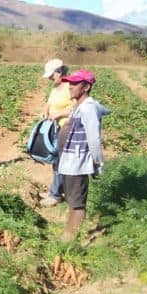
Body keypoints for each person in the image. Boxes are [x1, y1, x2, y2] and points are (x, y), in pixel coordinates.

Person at [57, 69, 110, 241]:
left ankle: (69, 240)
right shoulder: (78, 107)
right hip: (69, 161)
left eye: (75, 83)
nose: (70, 87)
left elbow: (94, 139)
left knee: (77, 204)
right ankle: (68, 233)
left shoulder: (88, 109)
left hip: (77, 162)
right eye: (69, 83)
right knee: (72, 200)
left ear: (86, 87)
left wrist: (97, 163)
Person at [38, 58, 73, 208]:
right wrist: (45, 110)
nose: (50, 78)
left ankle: (55, 195)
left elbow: (77, 108)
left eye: (52, 75)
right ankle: (58, 190)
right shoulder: (56, 87)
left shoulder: (70, 87)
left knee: (60, 161)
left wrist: (59, 114)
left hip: (69, 128)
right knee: (56, 159)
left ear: (59, 72)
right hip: (58, 128)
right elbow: (50, 102)